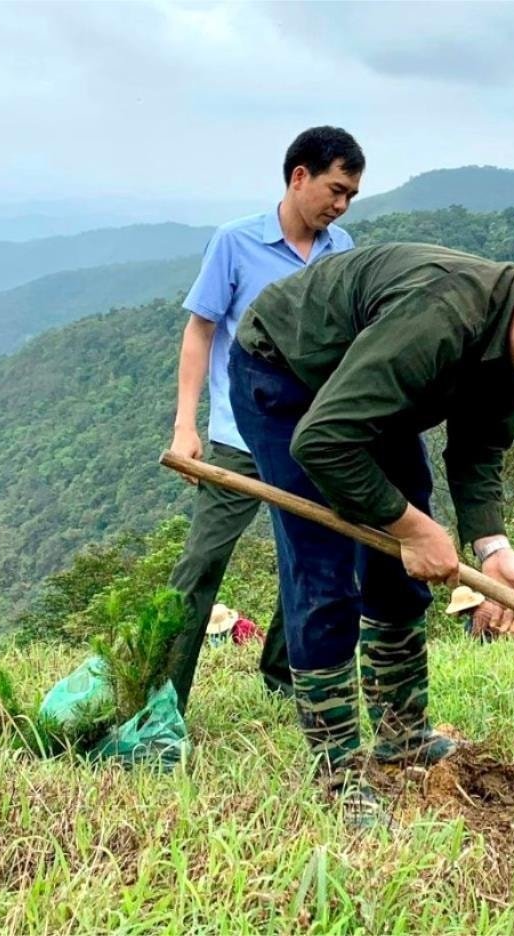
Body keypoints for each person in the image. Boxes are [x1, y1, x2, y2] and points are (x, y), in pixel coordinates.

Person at [227, 244, 514, 823]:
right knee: (323, 574)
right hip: (290, 378)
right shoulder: (441, 318)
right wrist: (411, 527)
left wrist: (492, 547)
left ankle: (403, 735)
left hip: (372, 394)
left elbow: (479, 450)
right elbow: (323, 441)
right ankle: (339, 772)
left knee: (400, 573)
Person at [162, 127, 365, 714]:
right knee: (201, 563)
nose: (340, 204)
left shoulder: (341, 247)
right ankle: (164, 695)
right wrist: (185, 424)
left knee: (316, 560)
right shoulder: (236, 242)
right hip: (238, 436)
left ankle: (282, 672)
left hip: (311, 441)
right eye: (334, 189)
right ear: (298, 176)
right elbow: (200, 330)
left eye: (350, 194)